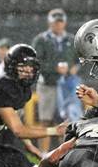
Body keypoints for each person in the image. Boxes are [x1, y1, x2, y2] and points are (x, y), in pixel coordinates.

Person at [32, 9, 77, 151]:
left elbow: (80, 59)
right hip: (48, 84)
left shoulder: (71, 39)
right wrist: (54, 68)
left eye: (60, 22)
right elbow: (35, 62)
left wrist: (75, 67)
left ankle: (63, 154)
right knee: (45, 120)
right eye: (55, 22)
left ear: (64, 23)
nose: (58, 25)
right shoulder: (41, 40)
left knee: (65, 122)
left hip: (67, 86)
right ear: (50, 23)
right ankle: (43, 154)